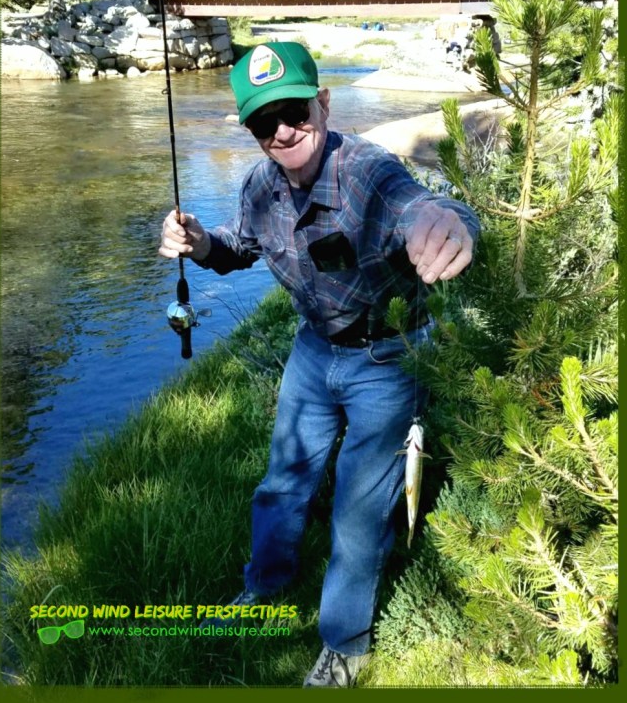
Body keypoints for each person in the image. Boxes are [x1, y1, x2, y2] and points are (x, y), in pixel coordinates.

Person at [159, 42, 479, 687]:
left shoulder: (367, 172)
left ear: (323, 102)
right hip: (314, 351)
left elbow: (418, 204)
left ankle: (344, 644)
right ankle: (265, 590)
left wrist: (449, 223)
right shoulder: (258, 185)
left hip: (389, 359)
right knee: (283, 482)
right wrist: (200, 244)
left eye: (293, 111)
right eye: (261, 121)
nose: (281, 131)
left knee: (361, 513)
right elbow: (237, 248)